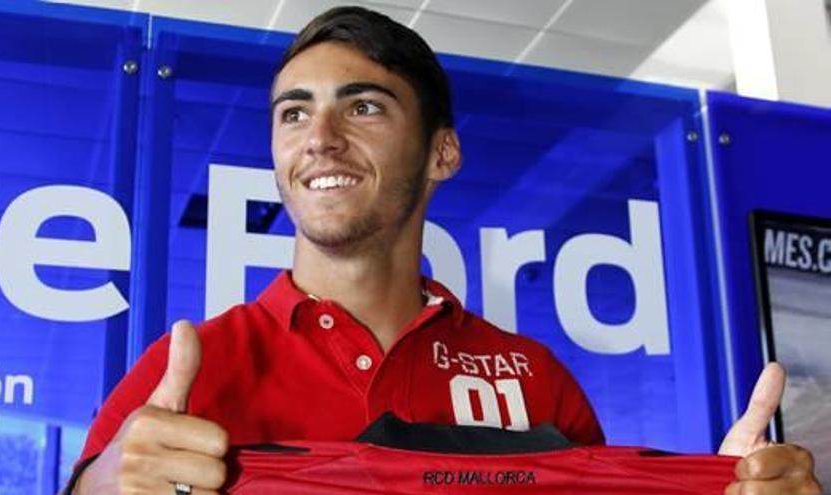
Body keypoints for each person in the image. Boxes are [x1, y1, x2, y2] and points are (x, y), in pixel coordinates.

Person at [68, 6, 821, 494]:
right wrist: (105, 482)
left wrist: (718, 489)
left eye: (363, 107)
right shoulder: (195, 362)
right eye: (294, 113)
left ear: (442, 153)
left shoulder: (534, 380)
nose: (319, 138)